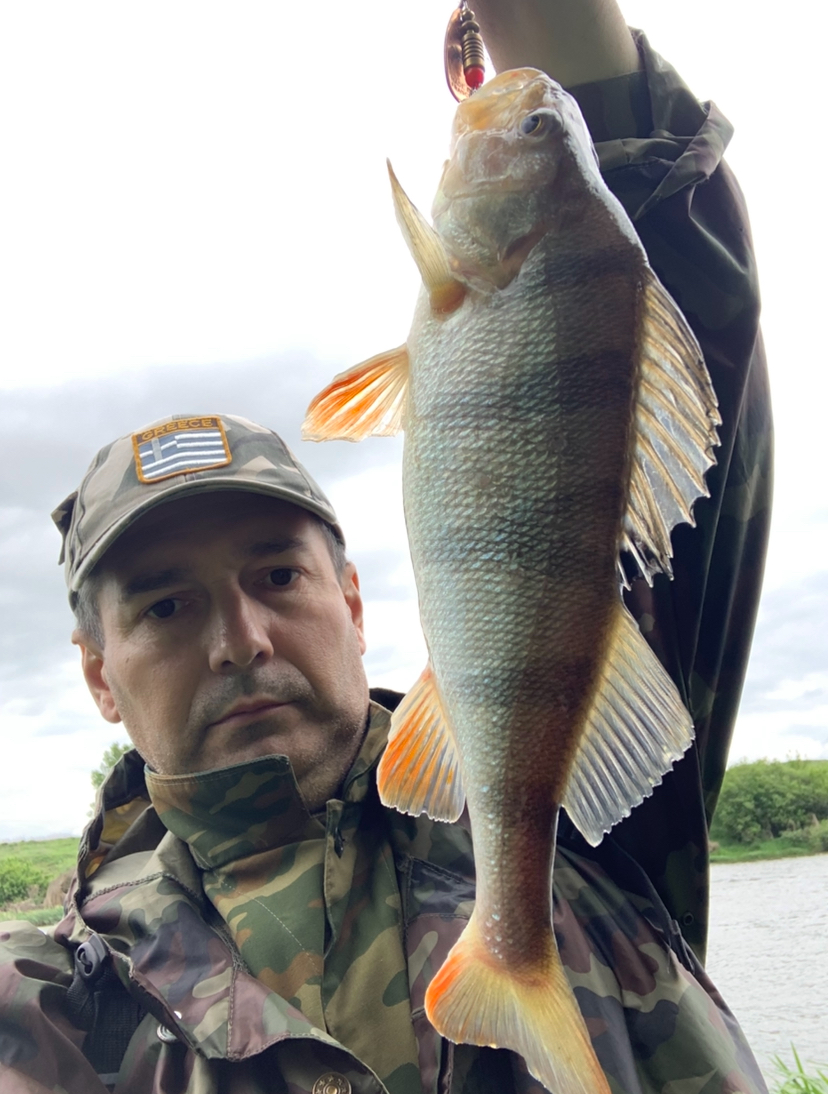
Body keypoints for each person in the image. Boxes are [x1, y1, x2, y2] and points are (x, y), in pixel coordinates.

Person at [0, 2, 772, 1092]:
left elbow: (664, 275)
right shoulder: (42, 999)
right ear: (96, 675)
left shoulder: (574, 817)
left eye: (278, 573)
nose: (240, 638)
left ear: (355, 603)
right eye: (166, 605)